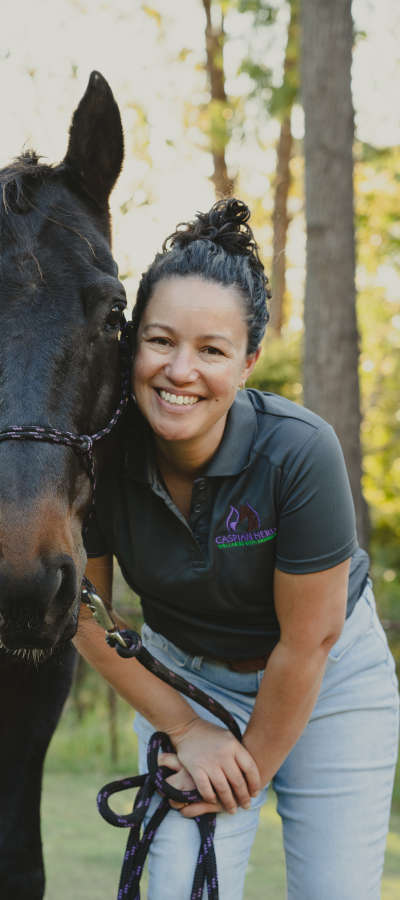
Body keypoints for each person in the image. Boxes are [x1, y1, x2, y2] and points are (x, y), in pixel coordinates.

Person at [74, 198, 399, 899]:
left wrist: (241, 767)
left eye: (212, 350)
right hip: (183, 679)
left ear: (248, 361)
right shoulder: (99, 453)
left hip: (331, 681)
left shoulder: (299, 453)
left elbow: (308, 643)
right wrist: (188, 728)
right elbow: (86, 612)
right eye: (160, 341)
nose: (179, 370)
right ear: (132, 345)